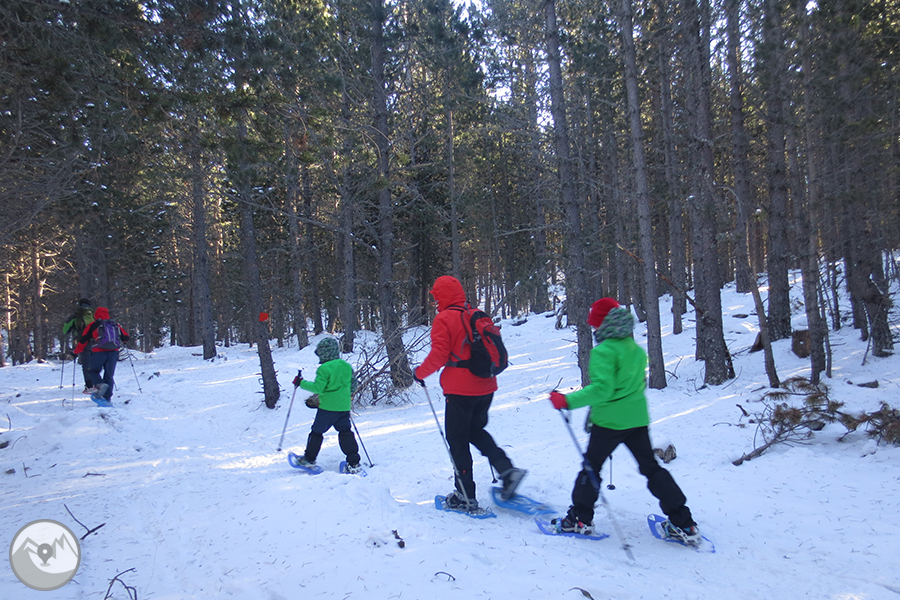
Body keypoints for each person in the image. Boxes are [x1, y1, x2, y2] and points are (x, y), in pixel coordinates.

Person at [548, 298, 700, 544]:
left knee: (591, 467)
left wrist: (567, 401)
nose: (593, 327)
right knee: (651, 469)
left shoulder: (603, 352)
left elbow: (602, 390)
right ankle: (684, 523)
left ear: (602, 324)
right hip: (637, 419)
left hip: (609, 422)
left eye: (595, 323)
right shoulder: (634, 349)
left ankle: (579, 519)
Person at [414, 275, 526, 513]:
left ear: (443, 296)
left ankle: (464, 496)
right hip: (486, 386)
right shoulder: (474, 314)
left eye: (436, 297)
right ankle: (507, 470)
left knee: (457, 441)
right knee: (475, 431)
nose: (435, 302)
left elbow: (440, 354)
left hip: (460, 390)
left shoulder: (444, 318)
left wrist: (420, 373)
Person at [290, 337, 363, 473]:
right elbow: (353, 386)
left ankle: (309, 459)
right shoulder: (346, 366)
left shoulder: (324, 369)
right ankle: (354, 463)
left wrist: (301, 383)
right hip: (343, 407)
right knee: (345, 432)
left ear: (324, 353)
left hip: (328, 408)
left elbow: (318, 388)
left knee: (317, 432)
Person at [73, 306, 129, 407]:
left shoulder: (94, 325)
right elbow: (126, 337)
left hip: (99, 352)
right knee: (109, 375)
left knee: (92, 371)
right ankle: (107, 398)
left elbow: (84, 339)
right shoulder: (114, 325)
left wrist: (76, 352)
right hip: (113, 352)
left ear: (96, 315)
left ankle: (100, 385)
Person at [62, 298, 95, 393]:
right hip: (96, 342)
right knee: (95, 363)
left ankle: (89, 386)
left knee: (86, 364)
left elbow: (65, 330)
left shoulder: (76, 316)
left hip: (83, 342)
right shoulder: (94, 315)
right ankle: (98, 383)